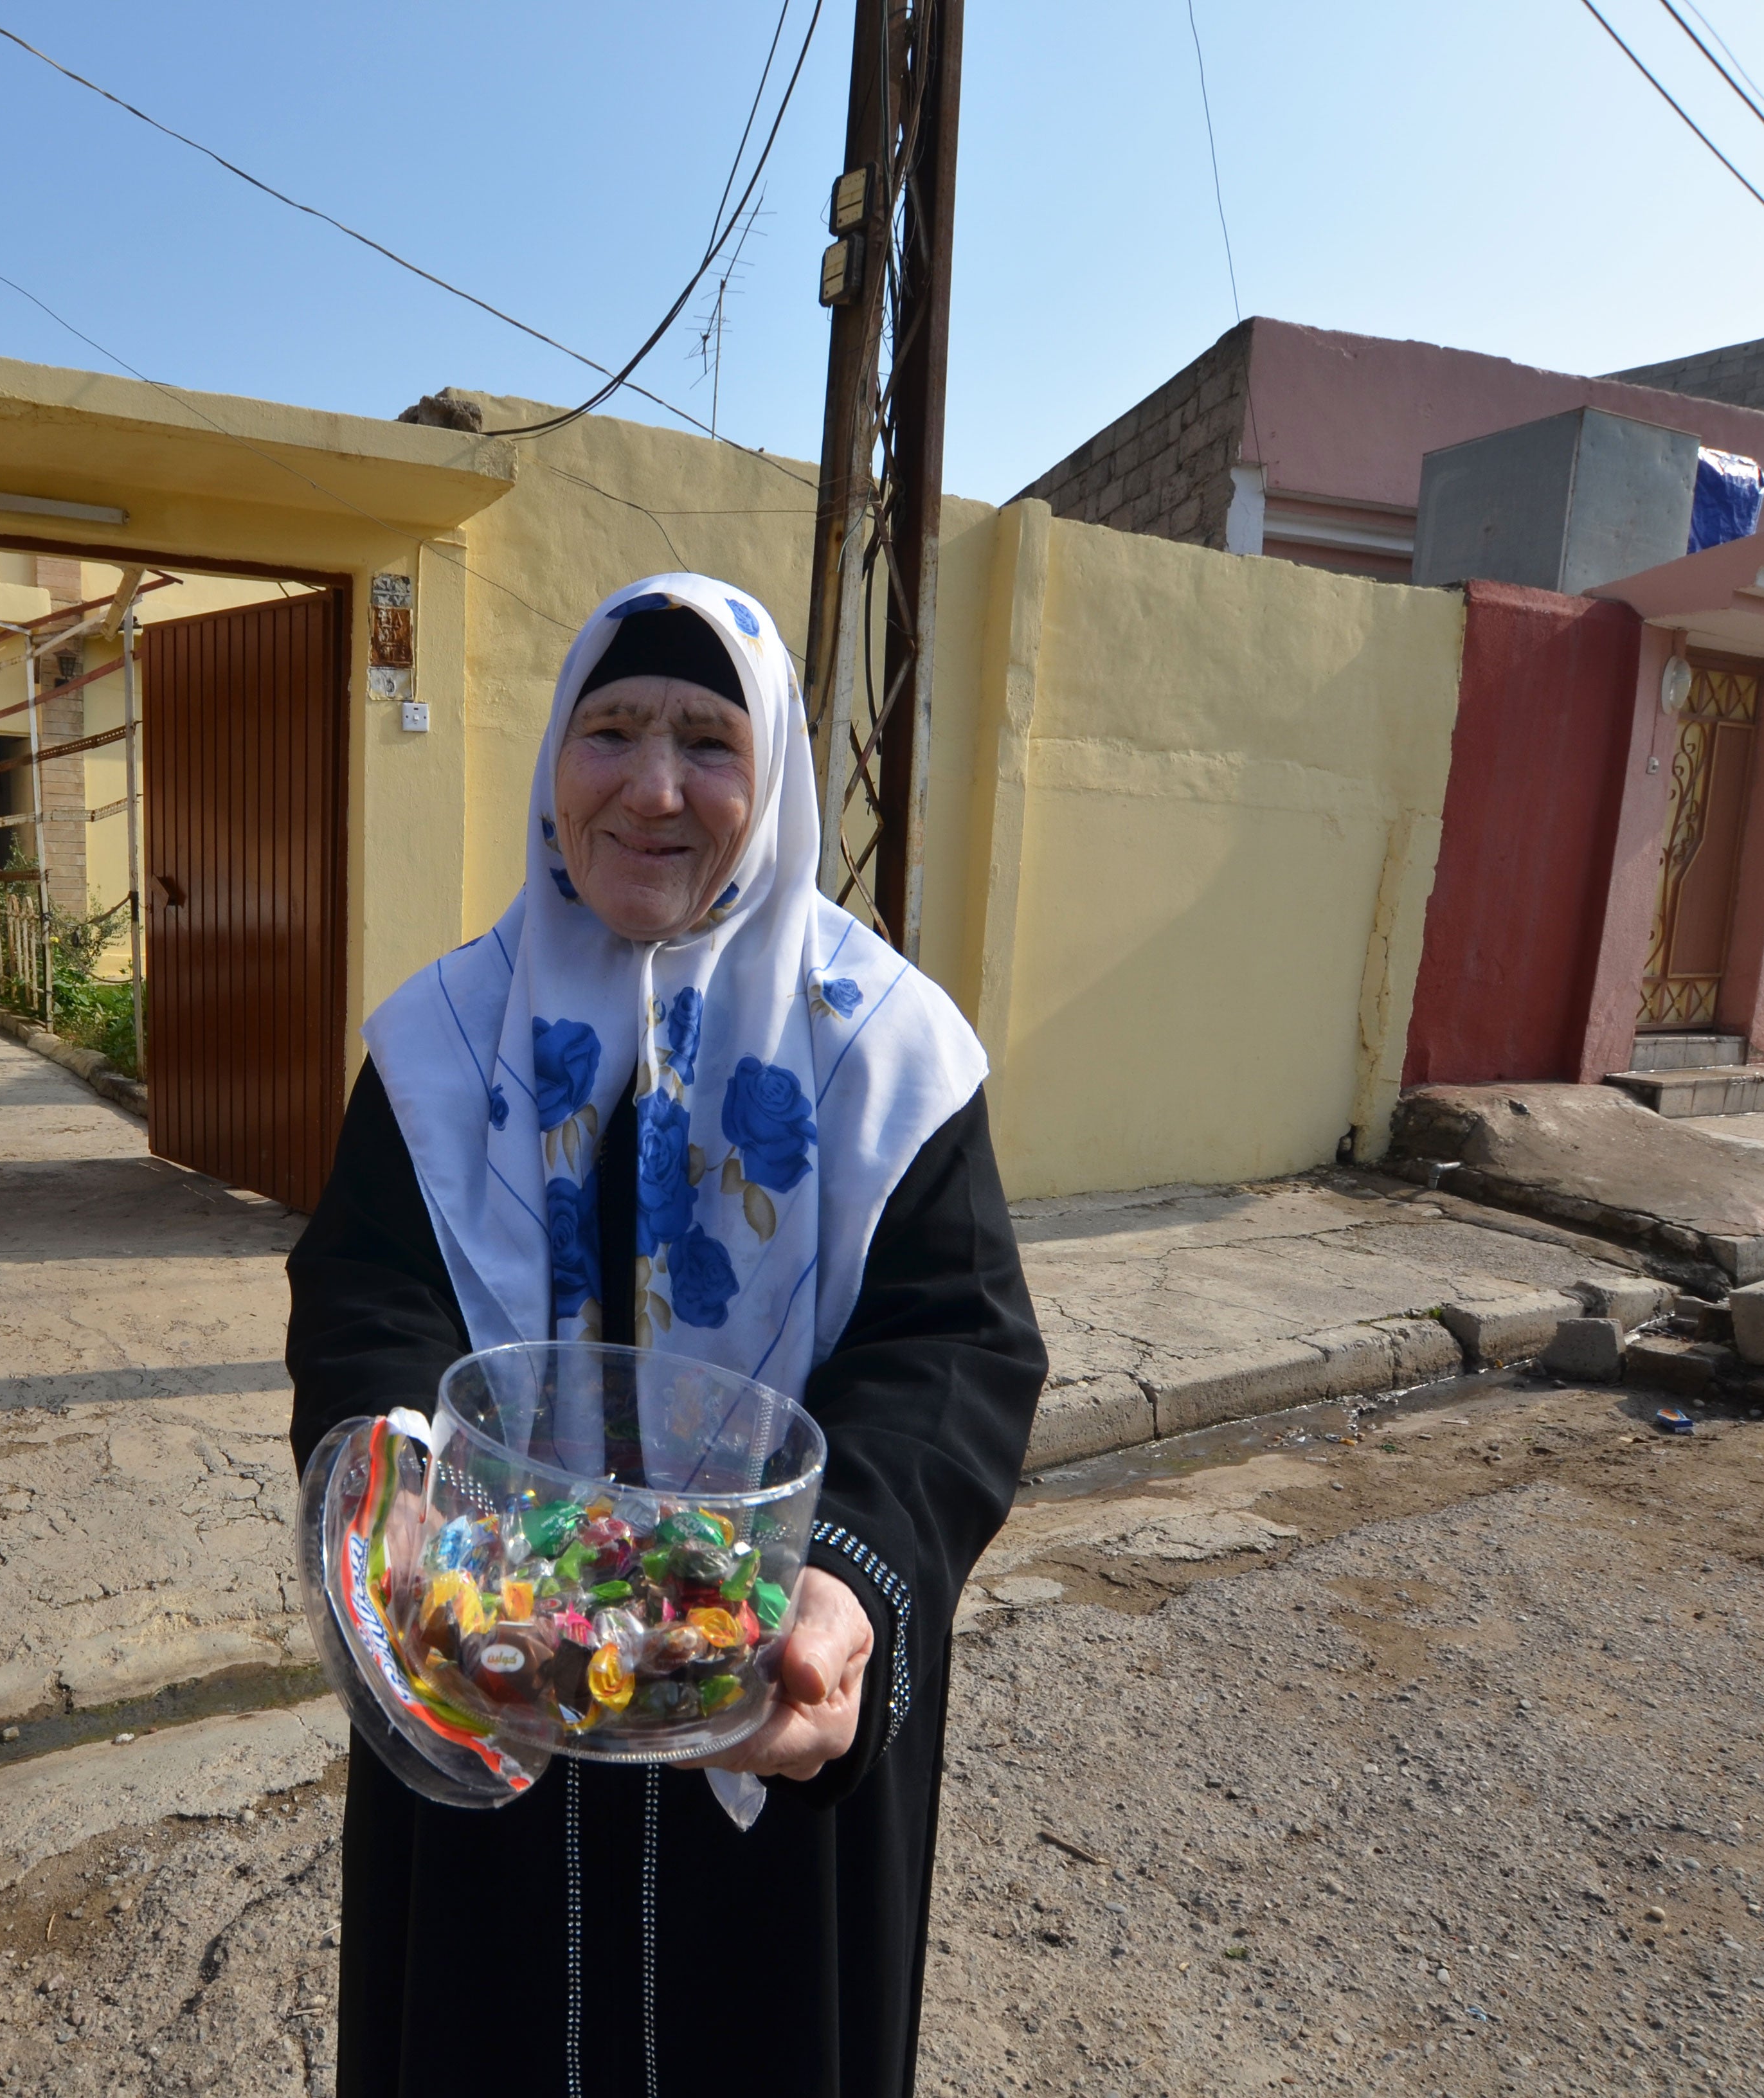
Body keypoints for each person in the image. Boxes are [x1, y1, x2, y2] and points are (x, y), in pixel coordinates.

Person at [286, 572, 1045, 2098]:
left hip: (758, 1705)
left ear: (769, 781)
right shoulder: (443, 1040)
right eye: (611, 730)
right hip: (490, 1674)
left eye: (707, 740)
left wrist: (849, 1593)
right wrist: (402, 1483)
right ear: (553, 765)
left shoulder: (882, 1051)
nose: (652, 786)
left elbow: (953, 1351)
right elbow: (369, 1290)